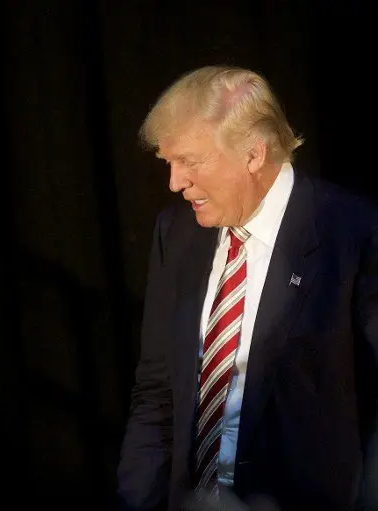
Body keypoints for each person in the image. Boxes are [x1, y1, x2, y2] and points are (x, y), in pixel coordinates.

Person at [114, 65, 377, 511]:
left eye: (190, 162)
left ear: (254, 155)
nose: (175, 182)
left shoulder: (353, 234)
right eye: (169, 163)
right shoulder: (175, 233)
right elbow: (158, 393)